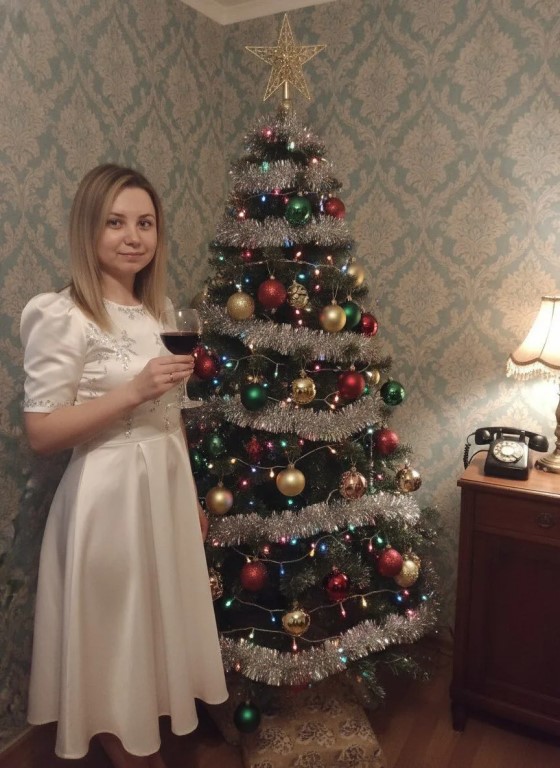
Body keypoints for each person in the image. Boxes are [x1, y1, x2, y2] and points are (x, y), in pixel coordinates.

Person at [20, 164, 228, 768]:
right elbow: (41, 432)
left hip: (164, 486)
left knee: (153, 627)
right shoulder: (62, 315)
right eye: (115, 222)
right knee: (113, 634)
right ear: (88, 229)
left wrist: (191, 497)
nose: (133, 237)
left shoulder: (160, 311)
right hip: (107, 498)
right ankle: (132, 753)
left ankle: (145, 738)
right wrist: (132, 391)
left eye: (145, 223)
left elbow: (172, 414)